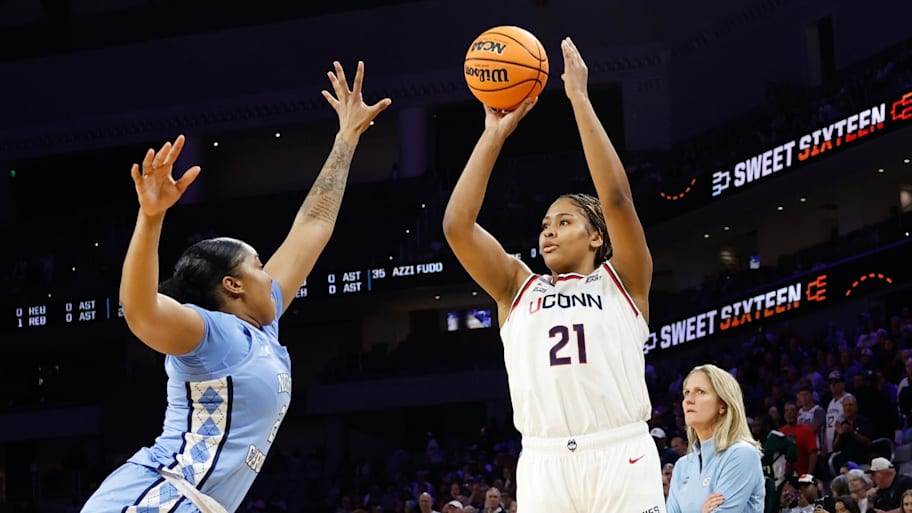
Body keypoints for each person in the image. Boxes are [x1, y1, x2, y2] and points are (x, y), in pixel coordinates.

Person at [80, 61, 391, 513]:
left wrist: (347, 139)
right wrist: (150, 219)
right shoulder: (208, 335)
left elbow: (313, 225)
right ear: (233, 285)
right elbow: (139, 310)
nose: (271, 275)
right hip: (155, 498)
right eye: (259, 266)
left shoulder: (263, 329)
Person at [442, 37, 664, 513]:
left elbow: (618, 200)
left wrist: (580, 100)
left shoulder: (624, 281)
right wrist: (492, 135)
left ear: (597, 238)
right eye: (545, 224)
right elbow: (456, 227)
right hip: (543, 459)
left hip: (620, 449)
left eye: (565, 222)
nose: (549, 231)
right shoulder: (517, 288)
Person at [665, 364, 765, 513]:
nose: (688, 400)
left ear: (723, 405)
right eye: (686, 392)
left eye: (700, 391)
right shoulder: (681, 466)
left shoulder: (741, 454)